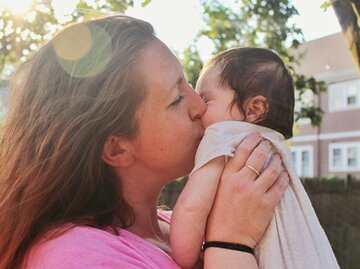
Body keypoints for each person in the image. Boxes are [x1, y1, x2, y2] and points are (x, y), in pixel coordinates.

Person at [0, 16, 289, 269]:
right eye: (177, 98)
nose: (199, 106)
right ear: (116, 147)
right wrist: (231, 243)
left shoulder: (183, 225)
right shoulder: (78, 256)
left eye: (188, 82)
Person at [170, 48, 339, 269]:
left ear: (254, 108)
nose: (199, 109)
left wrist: (185, 256)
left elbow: (191, 208)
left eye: (206, 99)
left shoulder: (222, 136)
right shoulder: (276, 149)